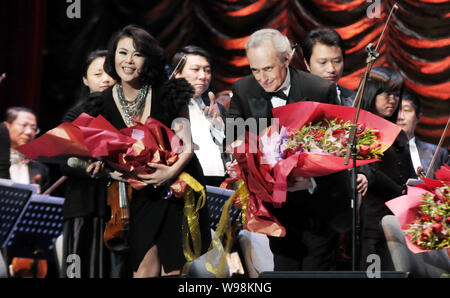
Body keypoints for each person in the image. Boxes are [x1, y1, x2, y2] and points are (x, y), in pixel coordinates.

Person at [79, 25, 211, 278]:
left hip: (177, 187)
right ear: (112, 57)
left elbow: (187, 145)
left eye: (137, 54)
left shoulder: (170, 93)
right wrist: (101, 168)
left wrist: (169, 173)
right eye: (122, 53)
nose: (128, 61)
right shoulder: (100, 104)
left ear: (148, 59)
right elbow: (109, 157)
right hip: (139, 195)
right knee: (144, 269)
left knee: (172, 270)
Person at [228, 28, 352, 271]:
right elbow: (234, 137)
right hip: (277, 209)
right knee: (284, 270)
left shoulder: (319, 90)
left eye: (268, 68)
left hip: (319, 206)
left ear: (286, 58)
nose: (262, 77)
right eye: (255, 70)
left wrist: (309, 177)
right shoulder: (243, 90)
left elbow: (335, 146)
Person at [302, 27, 368, 268]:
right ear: (307, 63)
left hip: (346, 205)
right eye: (323, 62)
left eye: (337, 61)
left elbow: (368, 146)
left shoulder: (354, 99)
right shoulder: (295, 98)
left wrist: (363, 172)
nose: (332, 69)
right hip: (305, 208)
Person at [60, 50, 117, 278]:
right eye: (97, 73)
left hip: (117, 211)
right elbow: (64, 160)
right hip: (85, 207)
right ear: (85, 80)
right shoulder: (76, 114)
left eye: (110, 73)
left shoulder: (125, 114)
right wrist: (87, 166)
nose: (105, 78)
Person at [358, 66, 416, 271]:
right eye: (386, 93)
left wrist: (416, 184)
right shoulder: (361, 129)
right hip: (373, 221)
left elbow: (407, 172)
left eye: (396, 94)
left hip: (400, 221)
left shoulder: (398, 133)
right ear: (372, 92)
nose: (393, 100)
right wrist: (399, 191)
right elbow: (369, 171)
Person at [172, 45, 227, 187]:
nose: (203, 76)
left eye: (207, 71)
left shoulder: (217, 107)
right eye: (195, 69)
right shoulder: (167, 105)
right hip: (181, 183)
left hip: (217, 181)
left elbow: (229, 147)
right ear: (177, 73)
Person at [396, 91, 449, 178]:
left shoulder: (438, 153)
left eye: (406, 110)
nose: (400, 117)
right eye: (396, 111)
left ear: (418, 117)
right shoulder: (381, 149)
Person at [3, 107, 49, 192]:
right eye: (24, 125)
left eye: (33, 128)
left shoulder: (41, 169)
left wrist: (37, 198)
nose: (29, 132)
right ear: (6, 126)